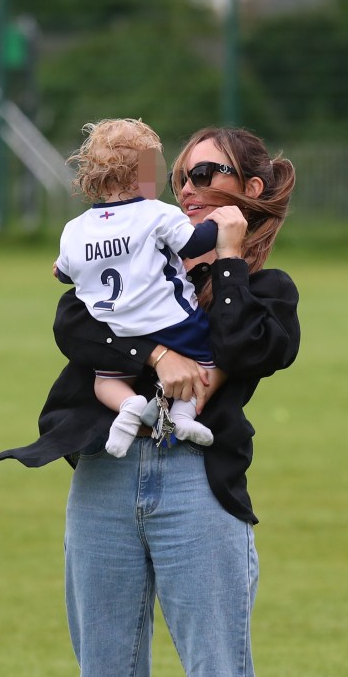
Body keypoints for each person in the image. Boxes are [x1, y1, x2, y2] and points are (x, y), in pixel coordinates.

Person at [0, 126, 300, 677]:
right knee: (106, 674)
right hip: (106, 472)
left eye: (206, 172)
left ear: (250, 191)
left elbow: (249, 346)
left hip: (197, 481)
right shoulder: (128, 254)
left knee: (217, 676)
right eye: (181, 173)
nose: (185, 185)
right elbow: (73, 322)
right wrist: (156, 355)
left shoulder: (266, 288)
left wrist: (226, 256)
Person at [54, 117, 224, 458]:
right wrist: (219, 225)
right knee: (210, 358)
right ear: (142, 174)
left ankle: (129, 405)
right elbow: (192, 244)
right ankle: (183, 415)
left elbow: (64, 274)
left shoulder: (75, 229)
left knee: (104, 381)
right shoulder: (158, 214)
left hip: (118, 330)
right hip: (174, 323)